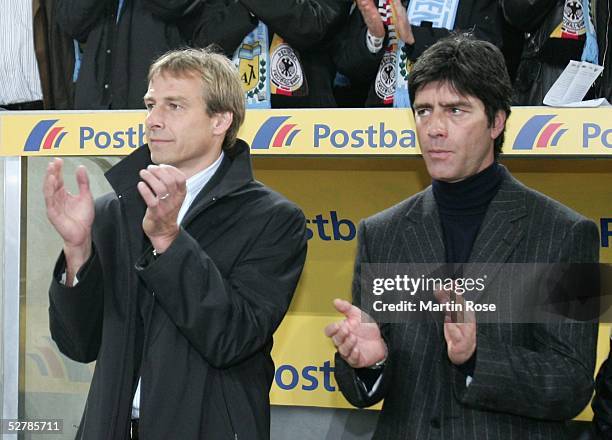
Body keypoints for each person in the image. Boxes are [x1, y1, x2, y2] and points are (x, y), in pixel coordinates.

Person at [325, 33, 599, 439]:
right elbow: (367, 380)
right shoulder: (381, 232)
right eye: (423, 110)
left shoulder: (567, 233)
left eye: (456, 110)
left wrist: (476, 358)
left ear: (496, 121)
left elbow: (572, 383)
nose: (434, 128)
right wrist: (369, 364)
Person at [44, 48, 307, 439]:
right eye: (151, 105)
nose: (153, 120)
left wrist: (169, 240)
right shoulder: (115, 210)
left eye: (174, 106)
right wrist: (78, 250)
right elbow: (79, 345)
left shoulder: (273, 219)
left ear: (220, 120)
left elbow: (231, 339)